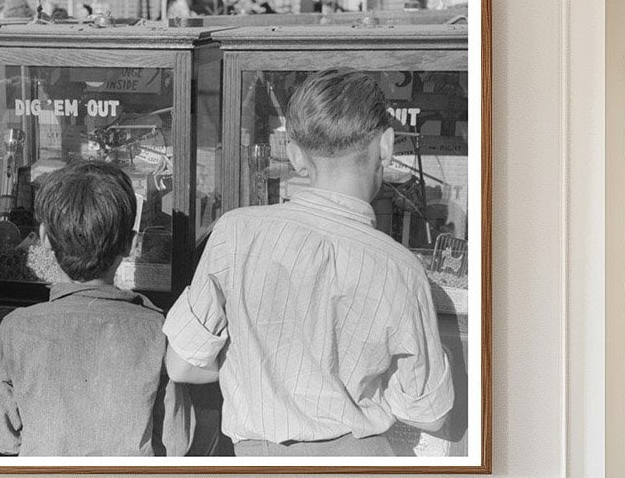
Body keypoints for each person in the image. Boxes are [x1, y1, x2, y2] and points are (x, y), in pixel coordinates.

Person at [163, 69, 454, 457]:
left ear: (296, 155)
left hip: (258, 464)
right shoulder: (401, 269)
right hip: (364, 470)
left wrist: (255, 368)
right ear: (386, 145)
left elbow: (182, 366)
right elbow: (431, 413)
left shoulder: (235, 232)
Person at [0, 160, 191, 457]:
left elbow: (4, 437)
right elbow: (176, 441)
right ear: (131, 245)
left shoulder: (16, 328)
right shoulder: (157, 330)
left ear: (43, 240)